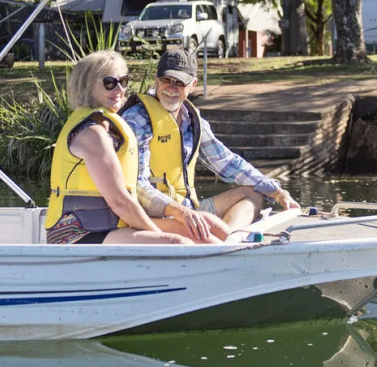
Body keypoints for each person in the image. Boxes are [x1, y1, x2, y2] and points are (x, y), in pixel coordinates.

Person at [121, 48, 297, 240]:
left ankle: (228, 240)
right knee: (209, 223)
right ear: (156, 78)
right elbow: (138, 183)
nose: (171, 88)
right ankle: (227, 243)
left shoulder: (193, 120)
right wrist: (178, 211)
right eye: (166, 80)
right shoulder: (137, 118)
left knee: (253, 194)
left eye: (180, 83)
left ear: (193, 84)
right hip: (152, 215)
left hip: (188, 208)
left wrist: (277, 192)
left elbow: (227, 163)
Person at [46, 50, 193, 245]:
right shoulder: (93, 135)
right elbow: (119, 201)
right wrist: (156, 233)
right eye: (109, 83)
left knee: (195, 232)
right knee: (176, 243)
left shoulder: (108, 129)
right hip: (76, 234)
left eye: (123, 81)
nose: (119, 89)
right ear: (86, 86)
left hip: (109, 226)